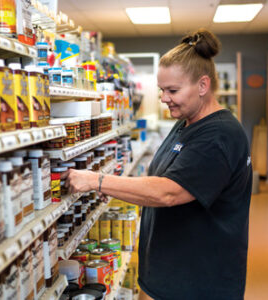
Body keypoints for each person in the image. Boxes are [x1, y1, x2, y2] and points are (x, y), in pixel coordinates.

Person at [62, 28, 252, 300]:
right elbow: (164, 175)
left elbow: (168, 191)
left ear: (202, 85)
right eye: (162, 89)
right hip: (172, 275)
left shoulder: (219, 135)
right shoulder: (187, 122)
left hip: (200, 283)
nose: (164, 98)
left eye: (172, 90)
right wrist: (120, 187)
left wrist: (97, 180)